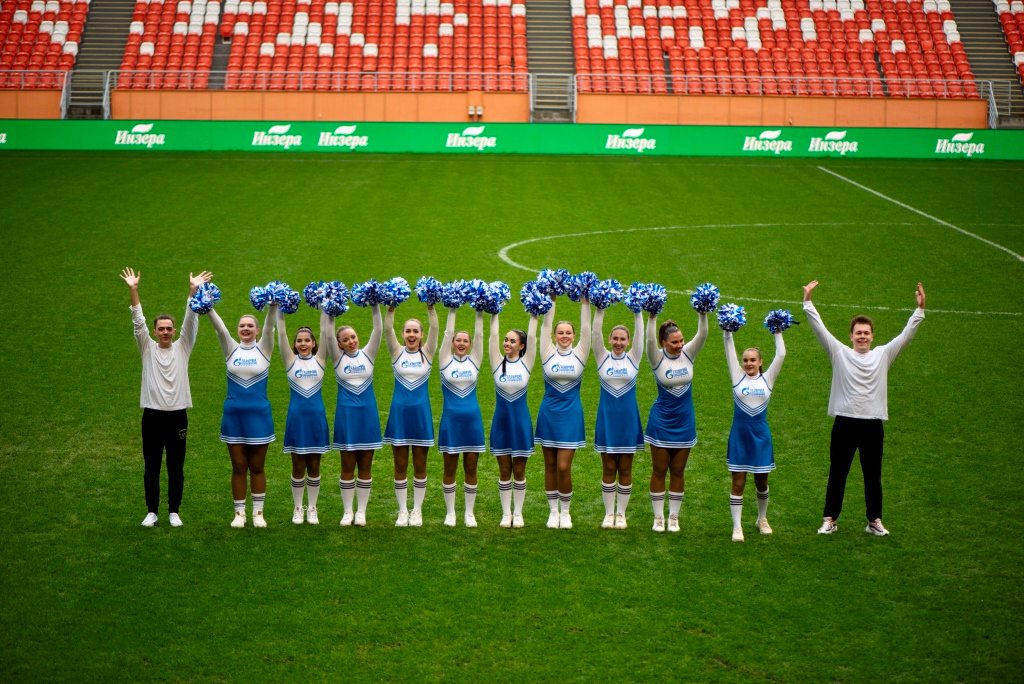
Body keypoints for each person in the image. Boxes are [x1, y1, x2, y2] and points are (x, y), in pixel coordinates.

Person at [803, 280, 926, 537]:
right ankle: (830, 519)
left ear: (872, 336)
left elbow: (905, 337)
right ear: (851, 336)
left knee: (873, 476)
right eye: (858, 333)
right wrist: (808, 303)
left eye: (866, 333)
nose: (862, 336)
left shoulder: (883, 354)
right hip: (844, 423)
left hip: (872, 424)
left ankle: (874, 521)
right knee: (838, 473)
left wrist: (919, 310)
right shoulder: (839, 353)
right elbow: (820, 330)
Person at [121, 267, 211, 528]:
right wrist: (133, 289)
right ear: (154, 330)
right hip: (151, 415)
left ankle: (173, 511)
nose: (165, 332)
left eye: (169, 329)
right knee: (151, 466)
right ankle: (152, 511)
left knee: (175, 466)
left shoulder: (183, 347)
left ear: (173, 331)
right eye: (161, 329)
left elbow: (191, 321)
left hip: (177, 416)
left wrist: (192, 292)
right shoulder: (146, 347)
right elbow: (137, 320)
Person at [208, 301, 279, 528]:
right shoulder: (230, 348)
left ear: (257, 330)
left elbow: (270, 327)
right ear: (238, 330)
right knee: (238, 467)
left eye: (250, 326)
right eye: (242, 326)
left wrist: (273, 307)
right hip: (233, 417)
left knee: (257, 467)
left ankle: (258, 513)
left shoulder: (264, 349)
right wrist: (207, 306)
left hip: (259, 417)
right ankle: (239, 513)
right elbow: (220, 329)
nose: (246, 329)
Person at [645, 309, 708, 533]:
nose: (679, 345)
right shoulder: (656, 357)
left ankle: (674, 517)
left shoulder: (688, 354)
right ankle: (658, 517)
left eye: (681, 340)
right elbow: (649, 339)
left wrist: (703, 313)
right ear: (664, 342)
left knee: (679, 471)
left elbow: (702, 335)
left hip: (684, 422)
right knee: (659, 470)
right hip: (661, 422)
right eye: (674, 342)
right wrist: (651, 318)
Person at [723, 327, 785, 542]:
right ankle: (737, 526)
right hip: (740, 436)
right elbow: (728, 349)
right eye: (745, 360)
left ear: (760, 362)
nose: (748, 363)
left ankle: (762, 518)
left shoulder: (768, 379)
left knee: (761, 482)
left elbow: (782, 355)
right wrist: (727, 332)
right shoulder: (737, 377)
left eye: (752, 360)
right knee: (738, 482)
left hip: (760, 437)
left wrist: (778, 331)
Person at [324, 303, 383, 527]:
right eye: (346, 339)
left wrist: (375, 305)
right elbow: (328, 335)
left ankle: (362, 512)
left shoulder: (368, 354)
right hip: (346, 417)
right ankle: (348, 511)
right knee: (347, 466)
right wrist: (329, 311)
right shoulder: (337, 358)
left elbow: (377, 330)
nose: (351, 341)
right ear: (339, 344)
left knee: (366, 466)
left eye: (353, 337)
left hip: (368, 416)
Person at [535, 296, 591, 529]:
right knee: (549, 466)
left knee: (563, 467)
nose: (564, 336)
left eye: (568, 333)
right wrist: (551, 301)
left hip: (571, 415)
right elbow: (545, 325)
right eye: (561, 333)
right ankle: (552, 512)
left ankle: (565, 512)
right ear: (555, 336)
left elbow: (589, 329)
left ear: (574, 336)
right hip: (548, 413)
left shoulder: (580, 353)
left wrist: (586, 303)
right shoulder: (547, 352)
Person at [383, 303, 439, 527]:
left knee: (420, 466)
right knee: (399, 466)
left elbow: (435, 329)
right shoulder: (397, 352)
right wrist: (390, 310)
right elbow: (387, 330)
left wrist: (431, 308)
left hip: (420, 416)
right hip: (399, 416)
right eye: (408, 331)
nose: (412, 335)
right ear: (403, 334)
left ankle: (417, 510)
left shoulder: (427, 353)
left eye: (416, 331)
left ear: (422, 334)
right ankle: (402, 510)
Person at [591, 305, 645, 530]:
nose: (619, 342)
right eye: (615, 338)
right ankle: (608, 513)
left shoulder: (634, 358)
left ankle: (621, 514)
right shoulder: (602, 357)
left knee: (625, 468)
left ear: (629, 341)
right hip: (606, 419)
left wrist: (638, 312)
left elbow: (642, 335)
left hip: (628, 420)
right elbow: (594, 334)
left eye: (623, 339)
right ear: (609, 339)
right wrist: (600, 310)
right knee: (608, 467)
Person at [277, 314, 330, 525]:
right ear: (294, 344)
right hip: (297, 419)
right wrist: (278, 310)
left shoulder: (320, 360)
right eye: (299, 340)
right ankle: (298, 507)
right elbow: (280, 333)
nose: (303, 344)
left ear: (314, 343)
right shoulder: (290, 360)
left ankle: (313, 507)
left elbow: (326, 333)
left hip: (316, 417)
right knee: (298, 465)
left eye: (307, 340)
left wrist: (324, 311)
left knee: (315, 466)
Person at [489, 310, 539, 528]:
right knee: (503, 469)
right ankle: (505, 513)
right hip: (501, 423)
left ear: (522, 346)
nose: (507, 343)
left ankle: (518, 513)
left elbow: (534, 337)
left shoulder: (526, 362)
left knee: (519, 470)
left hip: (520, 424)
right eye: (506, 340)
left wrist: (534, 314)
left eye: (512, 341)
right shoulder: (496, 362)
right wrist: (494, 312)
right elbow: (491, 337)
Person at [437, 306, 486, 527]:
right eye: (458, 340)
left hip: (472, 422)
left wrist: (480, 312)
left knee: (471, 467)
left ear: (470, 345)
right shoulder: (444, 360)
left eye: (465, 341)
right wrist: (452, 310)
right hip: (451, 422)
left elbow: (480, 335)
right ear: (452, 343)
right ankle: (450, 513)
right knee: (449, 467)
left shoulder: (475, 360)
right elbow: (447, 334)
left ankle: (469, 512)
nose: (462, 343)